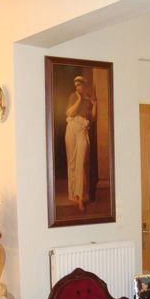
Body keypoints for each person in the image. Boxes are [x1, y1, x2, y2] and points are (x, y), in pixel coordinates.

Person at [65, 75, 97, 212]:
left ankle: (81, 198)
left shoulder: (89, 101)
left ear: (85, 85)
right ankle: (74, 194)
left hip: (82, 130)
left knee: (81, 163)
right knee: (72, 163)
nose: (78, 87)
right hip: (72, 128)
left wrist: (95, 104)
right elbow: (69, 113)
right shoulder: (73, 97)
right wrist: (78, 99)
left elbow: (93, 118)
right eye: (76, 85)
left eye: (80, 85)